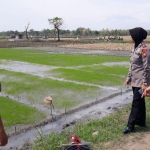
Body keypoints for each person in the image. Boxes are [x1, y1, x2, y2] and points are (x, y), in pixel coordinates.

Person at [124, 27, 150, 134]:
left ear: (136, 36)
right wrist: (128, 77)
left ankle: (130, 126)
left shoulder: (144, 48)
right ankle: (141, 121)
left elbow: (147, 67)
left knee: (136, 102)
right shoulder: (135, 47)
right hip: (134, 80)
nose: (130, 37)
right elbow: (132, 64)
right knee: (140, 101)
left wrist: (144, 83)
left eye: (132, 35)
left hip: (141, 81)